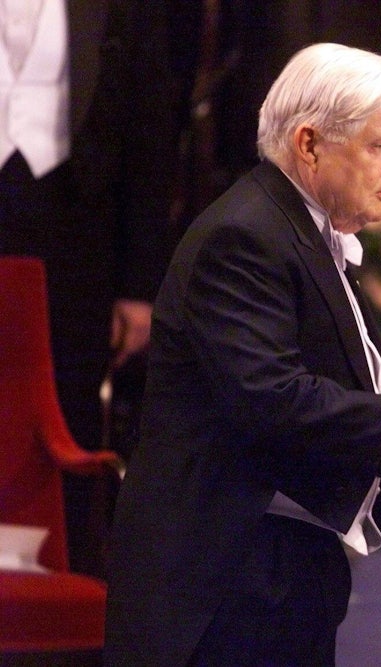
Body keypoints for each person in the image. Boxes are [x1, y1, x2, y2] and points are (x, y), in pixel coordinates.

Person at [103, 43, 381, 666]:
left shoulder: (302, 228)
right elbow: (271, 398)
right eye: (380, 146)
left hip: (275, 570)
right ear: (310, 144)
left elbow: (319, 379)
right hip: (221, 581)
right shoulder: (244, 236)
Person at [0, 0, 182, 576]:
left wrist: (138, 285)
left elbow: (150, 134)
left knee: (64, 409)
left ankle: (58, 590)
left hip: (73, 229)